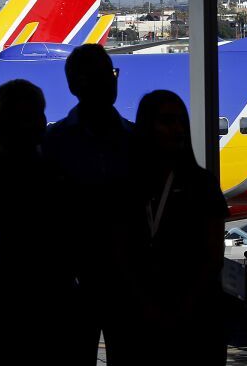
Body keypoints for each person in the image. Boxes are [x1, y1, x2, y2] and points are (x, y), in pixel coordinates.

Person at [43, 44, 144, 365]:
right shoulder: (53, 145)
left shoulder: (135, 140)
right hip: (77, 283)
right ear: (75, 87)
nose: (110, 82)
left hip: (124, 281)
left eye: (112, 74)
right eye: (100, 76)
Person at [0, 79, 75, 365]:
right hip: (50, 298)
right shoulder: (47, 173)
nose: (42, 123)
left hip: (13, 301)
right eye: (33, 116)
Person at [132, 90, 229, 365]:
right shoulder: (127, 185)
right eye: (166, 121)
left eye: (180, 122)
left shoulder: (202, 185)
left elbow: (213, 256)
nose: (176, 129)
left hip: (194, 316)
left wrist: (181, 308)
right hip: (145, 316)